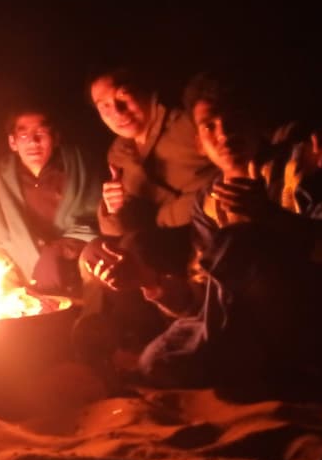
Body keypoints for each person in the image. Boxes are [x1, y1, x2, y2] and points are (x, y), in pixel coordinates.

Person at [108, 72, 322, 394]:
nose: (224, 135)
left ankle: (244, 358)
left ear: (254, 124)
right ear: (199, 143)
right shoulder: (208, 202)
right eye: (209, 126)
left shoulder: (300, 167)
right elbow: (203, 299)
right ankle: (240, 358)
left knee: (239, 242)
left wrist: (271, 218)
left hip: (318, 316)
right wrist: (150, 283)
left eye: (233, 121)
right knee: (155, 361)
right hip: (244, 327)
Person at [73, 67, 219, 366]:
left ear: (147, 93)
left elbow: (221, 176)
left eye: (123, 98)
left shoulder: (186, 125)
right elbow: (119, 228)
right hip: (147, 235)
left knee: (135, 249)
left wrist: (158, 215)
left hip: (198, 232)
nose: (117, 112)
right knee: (93, 253)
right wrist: (113, 208)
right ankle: (95, 332)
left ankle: (142, 338)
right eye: (104, 107)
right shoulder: (118, 153)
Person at [0, 106, 101, 296]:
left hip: (76, 266)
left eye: (41, 133)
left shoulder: (79, 166)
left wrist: (57, 251)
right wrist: (1, 268)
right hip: (19, 274)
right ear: (13, 142)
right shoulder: (0, 177)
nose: (33, 141)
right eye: (24, 135)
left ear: (56, 138)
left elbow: (94, 219)